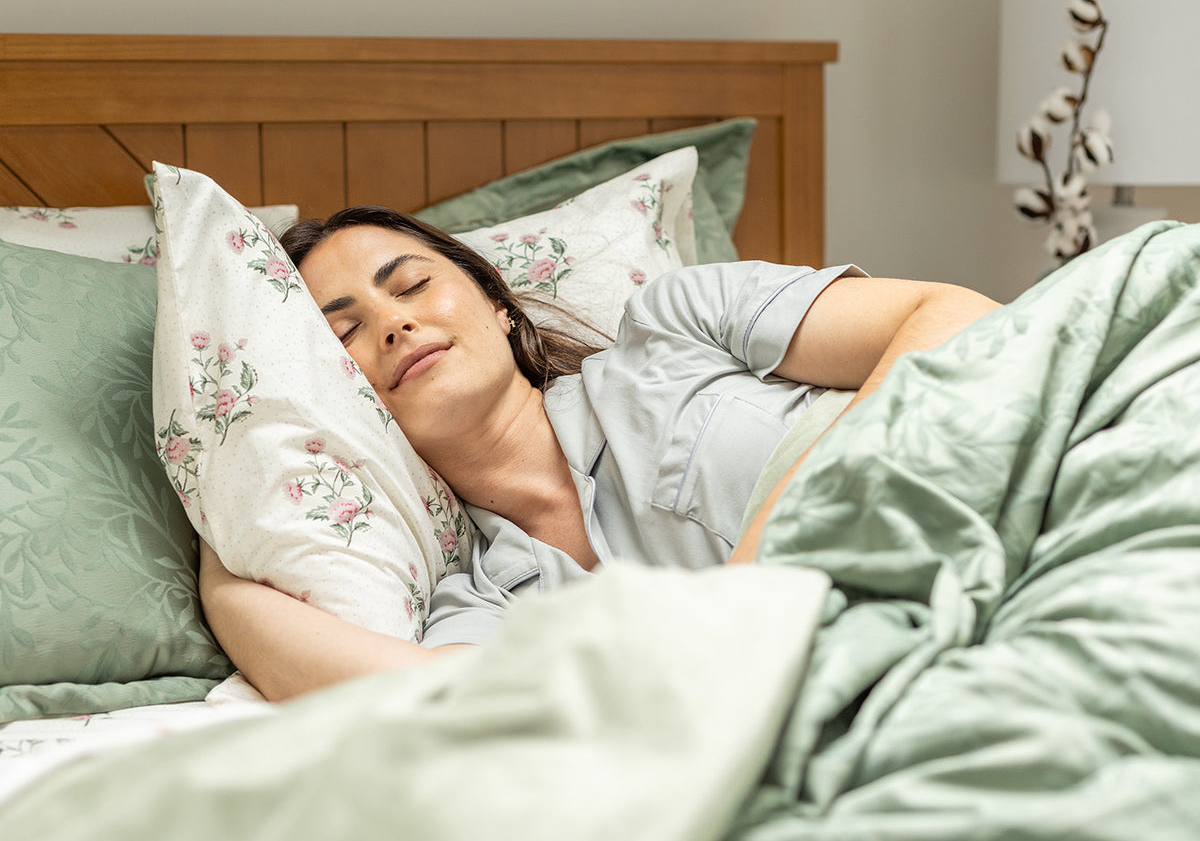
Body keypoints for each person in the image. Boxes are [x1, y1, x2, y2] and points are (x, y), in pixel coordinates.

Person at [199, 207, 999, 701]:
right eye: (344, 333)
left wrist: (765, 570)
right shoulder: (482, 600)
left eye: (409, 286)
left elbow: (962, 319)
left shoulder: (676, 327)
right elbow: (419, 703)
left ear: (500, 305)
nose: (392, 324)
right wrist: (226, 559)